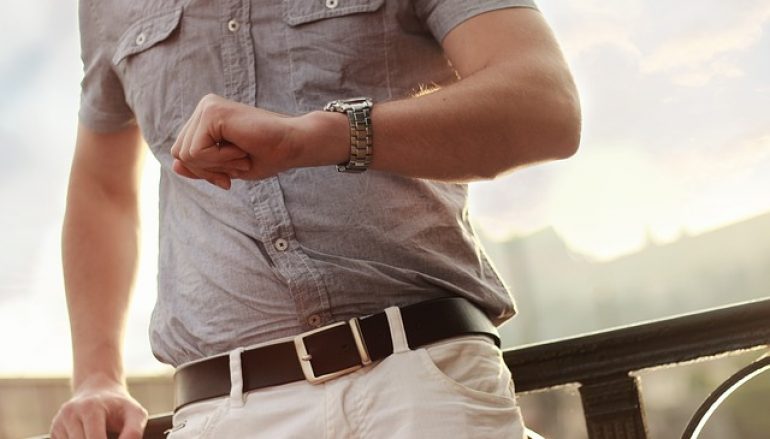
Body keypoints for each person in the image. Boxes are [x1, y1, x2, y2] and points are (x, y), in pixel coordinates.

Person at [51, 0, 580, 437]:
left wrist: (321, 136)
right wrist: (97, 377)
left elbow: (545, 104)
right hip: (223, 414)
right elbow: (103, 188)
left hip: (420, 387)